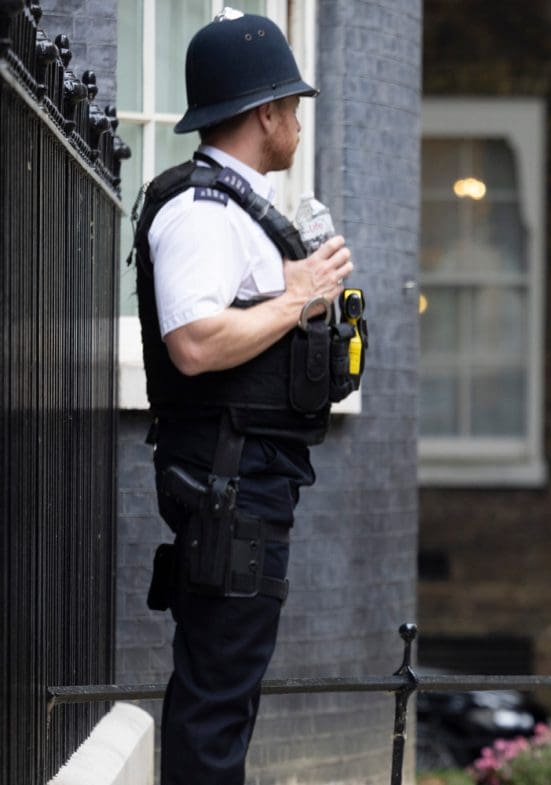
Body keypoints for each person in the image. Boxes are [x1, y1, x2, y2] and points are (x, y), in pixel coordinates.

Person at [133, 11, 353, 784]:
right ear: (265, 114)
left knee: (229, 688)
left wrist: (303, 296)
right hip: (227, 482)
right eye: (291, 107)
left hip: (249, 480)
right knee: (216, 697)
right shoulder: (203, 211)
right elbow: (192, 344)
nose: (297, 121)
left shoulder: (240, 205)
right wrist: (298, 298)